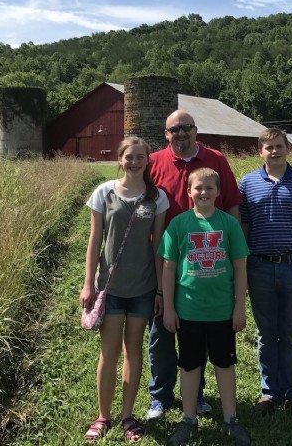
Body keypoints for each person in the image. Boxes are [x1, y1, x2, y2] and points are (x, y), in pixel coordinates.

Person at [146, 110, 243, 420]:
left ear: (195, 130)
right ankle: (160, 396)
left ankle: (197, 394)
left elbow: (232, 205)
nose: (181, 133)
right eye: (174, 129)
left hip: (206, 261)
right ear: (166, 134)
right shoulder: (155, 162)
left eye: (186, 127)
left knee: (197, 331)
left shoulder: (216, 159)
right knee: (161, 329)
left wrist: (231, 251)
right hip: (164, 258)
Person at [80, 137, 169, 442]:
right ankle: (103, 416)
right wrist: (88, 282)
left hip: (143, 287)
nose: (134, 162)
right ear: (120, 159)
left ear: (148, 160)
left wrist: (159, 290)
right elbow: (94, 241)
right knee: (110, 352)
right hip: (111, 287)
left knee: (134, 350)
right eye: (129, 157)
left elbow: (158, 245)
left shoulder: (158, 198)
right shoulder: (103, 192)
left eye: (140, 157)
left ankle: (127, 417)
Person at [238, 128, 292, 420]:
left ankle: (290, 394)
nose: (274, 151)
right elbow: (244, 229)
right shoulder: (248, 183)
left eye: (279, 146)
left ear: (288, 148)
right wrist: (245, 266)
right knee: (265, 334)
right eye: (268, 147)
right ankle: (268, 392)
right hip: (259, 267)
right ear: (260, 151)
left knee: (290, 334)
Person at [160, 167, 251, 446]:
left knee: (224, 363)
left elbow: (239, 267)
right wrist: (169, 308)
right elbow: (168, 267)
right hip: (188, 310)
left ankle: (230, 418)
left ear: (218, 192)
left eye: (209, 188)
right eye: (198, 188)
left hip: (222, 311)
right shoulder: (178, 225)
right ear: (188, 192)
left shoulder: (229, 224)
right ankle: (188, 418)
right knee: (189, 365)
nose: (203, 192)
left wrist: (239, 307)